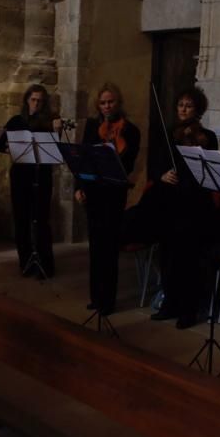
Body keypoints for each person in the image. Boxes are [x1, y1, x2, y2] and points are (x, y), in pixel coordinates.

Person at [126, 87, 219, 329]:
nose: (183, 109)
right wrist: (162, 175)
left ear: (197, 109)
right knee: (167, 256)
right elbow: (155, 164)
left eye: (188, 106)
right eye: (180, 105)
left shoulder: (207, 136)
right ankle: (170, 304)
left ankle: (188, 310)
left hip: (194, 206)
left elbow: (209, 169)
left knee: (189, 259)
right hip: (169, 203)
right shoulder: (167, 133)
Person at [75, 82, 140, 316]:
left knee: (109, 247)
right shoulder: (93, 127)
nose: (106, 106)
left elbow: (129, 163)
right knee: (96, 245)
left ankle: (108, 300)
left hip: (114, 193)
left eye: (110, 101)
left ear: (118, 102)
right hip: (93, 191)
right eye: (102, 103)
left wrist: (112, 151)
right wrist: (80, 186)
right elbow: (83, 158)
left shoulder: (131, 130)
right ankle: (96, 296)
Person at [0, 85, 62, 278]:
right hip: (21, 175)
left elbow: (58, 150)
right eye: (33, 99)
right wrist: (8, 148)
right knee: (22, 219)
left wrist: (57, 132)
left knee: (41, 219)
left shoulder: (50, 121)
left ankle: (45, 263)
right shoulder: (16, 121)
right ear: (27, 100)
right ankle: (26, 261)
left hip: (41, 176)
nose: (36, 103)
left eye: (40, 101)